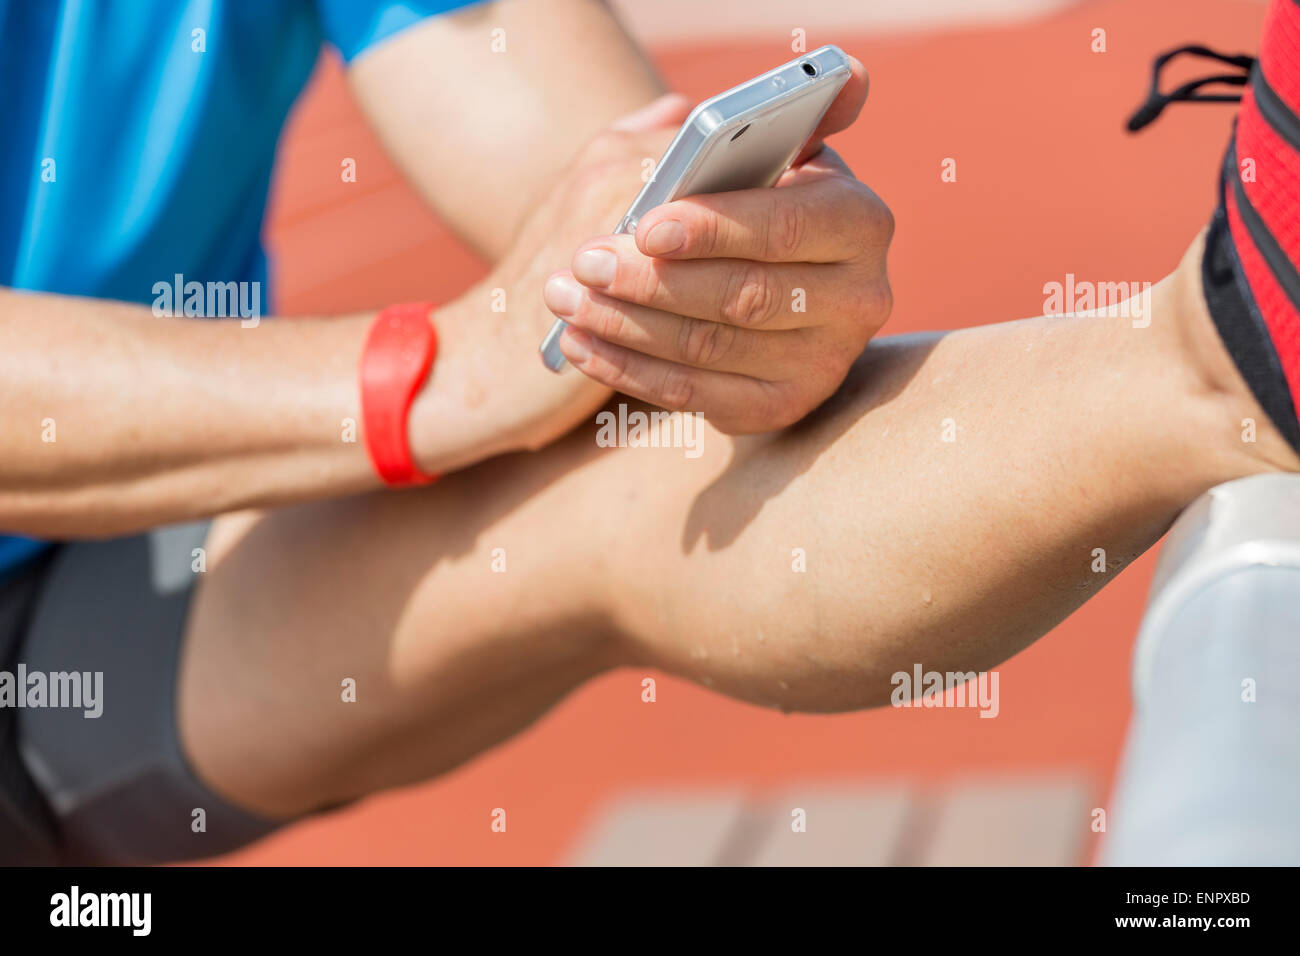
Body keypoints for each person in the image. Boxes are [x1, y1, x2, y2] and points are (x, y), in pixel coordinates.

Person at [0, 0, 886, 863]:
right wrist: (439, 374)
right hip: (143, 511)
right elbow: (472, 370)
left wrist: (715, 275)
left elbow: (566, 145)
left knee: (658, 449)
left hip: (129, 551)